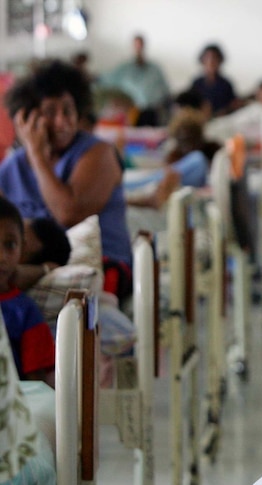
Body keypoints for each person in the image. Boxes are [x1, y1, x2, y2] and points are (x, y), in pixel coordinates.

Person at [0, 60, 133, 299]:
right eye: (50, 112)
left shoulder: (98, 153)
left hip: (103, 266)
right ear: (28, 117)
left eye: (68, 110)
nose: (63, 121)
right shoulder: (13, 166)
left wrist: (36, 154)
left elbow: (68, 214)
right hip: (39, 267)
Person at [0, 197, 54, 384]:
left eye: (10, 245)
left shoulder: (24, 311)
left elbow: (36, 382)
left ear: (22, 249)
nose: (2, 257)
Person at [99, 34, 172, 126]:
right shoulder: (124, 68)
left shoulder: (155, 68)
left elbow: (165, 89)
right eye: (136, 45)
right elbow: (106, 81)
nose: (139, 48)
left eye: (141, 45)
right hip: (132, 111)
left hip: (153, 111)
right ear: (133, 46)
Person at [190, 44, 238, 117]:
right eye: (207, 58)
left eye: (214, 58)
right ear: (203, 61)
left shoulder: (226, 85)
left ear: (220, 61)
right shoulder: (197, 83)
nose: (211, 62)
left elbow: (232, 107)